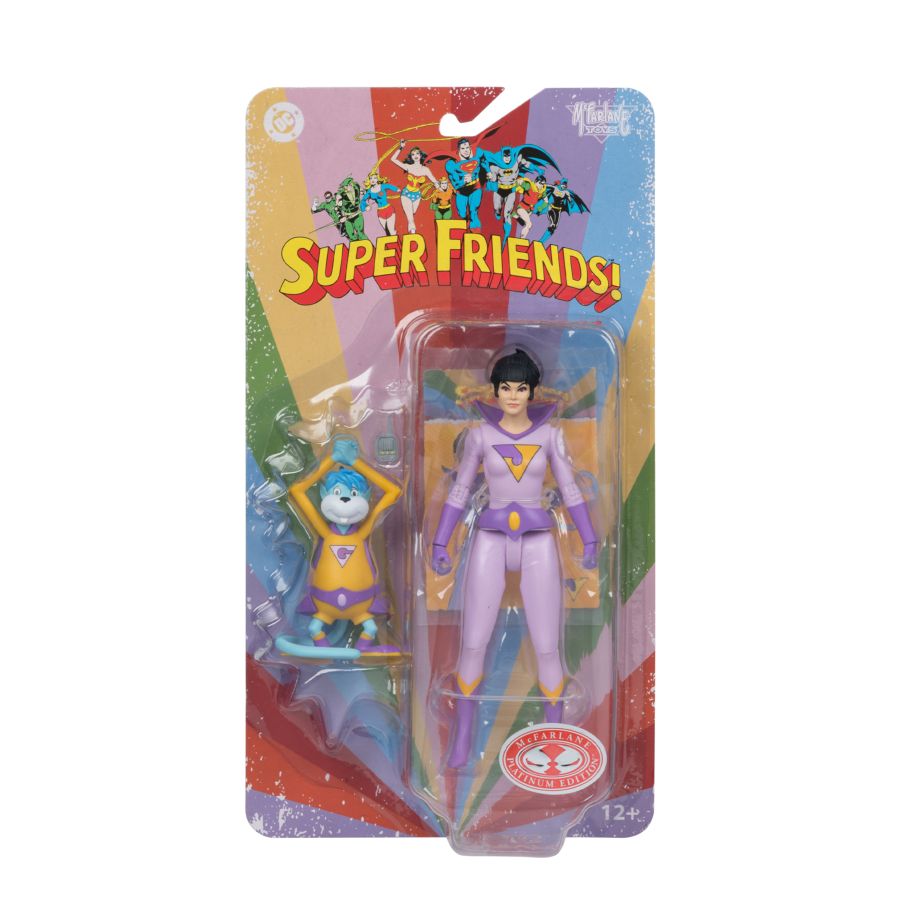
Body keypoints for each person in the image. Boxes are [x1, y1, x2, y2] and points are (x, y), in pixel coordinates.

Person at [431, 348, 598, 767]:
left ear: (531, 392)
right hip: (489, 537)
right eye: (505, 387)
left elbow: (570, 489)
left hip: (539, 539)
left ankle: (555, 739)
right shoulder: (480, 436)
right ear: (495, 389)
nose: (511, 395)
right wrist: (440, 542)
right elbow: (460, 490)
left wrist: (589, 539)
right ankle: (462, 739)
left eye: (520, 388)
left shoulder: (550, 436)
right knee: (473, 641)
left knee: (547, 646)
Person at [390, 140, 438, 234]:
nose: (415, 155)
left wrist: (440, 186)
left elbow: (434, 181)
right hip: (406, 194)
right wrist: (401, 147)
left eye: (417, 153)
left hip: (417, 195)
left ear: (420, 155)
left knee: (412, 213)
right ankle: (413, 234)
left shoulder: (425, 169)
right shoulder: (408, 167)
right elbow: (393, 159)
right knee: (411, 219)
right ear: (411, 157)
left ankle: (411, 232)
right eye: (413, 154)